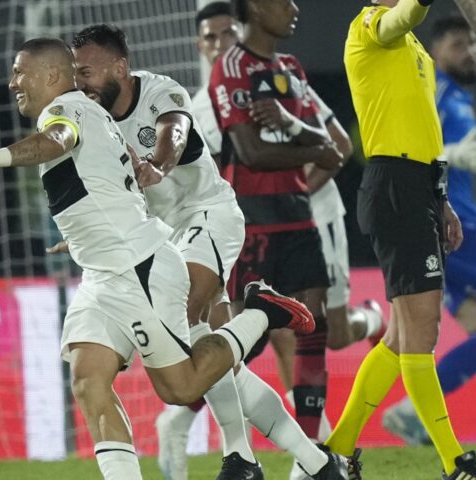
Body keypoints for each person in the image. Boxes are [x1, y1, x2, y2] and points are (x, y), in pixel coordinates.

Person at [0, 37, 317, 480]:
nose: (11, 82)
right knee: (88, 378)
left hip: (143, 264)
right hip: (105, 270)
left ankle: (261, 315)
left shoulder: (68, 111)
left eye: (19, 72)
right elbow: (111, 190)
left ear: (52, 76)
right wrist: (81, 238)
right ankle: (269, 456)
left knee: (182, 385)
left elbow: (60, 140)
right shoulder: (98, 115)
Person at [70, 23, 346, 480]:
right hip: (153, 238)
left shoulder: (161, 91)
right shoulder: (88, 116)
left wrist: (157, 165)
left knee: (187, 313)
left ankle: (243, 442)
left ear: (119, 66)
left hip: (207, 214)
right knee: (208, 353)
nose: (81, 83)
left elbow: (174, 133)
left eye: (87, 72)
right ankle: (313, 462)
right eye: (76, 74)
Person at [324, 1, 476, 478]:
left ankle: (336, 449)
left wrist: (442, 199)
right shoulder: (371, 27)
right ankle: (455, 462)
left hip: (418, 189)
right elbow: (403, 16)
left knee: (400, 336)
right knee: (420, 333)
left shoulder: (415, 50)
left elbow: (424, 129)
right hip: (392, 186)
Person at [211, 0, 343, 447]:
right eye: (283, 1)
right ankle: (230, 444)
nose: (294, 8)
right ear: (256, 6)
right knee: (248, 341)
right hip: (253, 222)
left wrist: (290, 123)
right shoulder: (232, 68)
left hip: (299, 216)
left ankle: (311, 454)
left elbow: (334, 147)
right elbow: (251, 152)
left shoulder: (290, 66)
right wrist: (310, 145)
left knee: (314, 327)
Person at [381, 14, 476, 448]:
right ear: (437, 50)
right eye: (459, 45)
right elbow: (408, 147)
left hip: (460, 223)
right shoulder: (434, 90)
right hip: (453, 225)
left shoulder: (457, 95)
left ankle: (410, 412)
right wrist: (453, 154)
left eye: (473, 44)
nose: (470, 53)